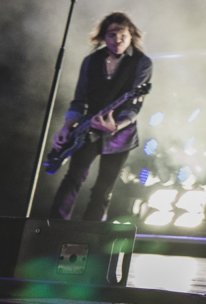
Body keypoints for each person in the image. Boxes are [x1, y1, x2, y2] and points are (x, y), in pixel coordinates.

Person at [49, 12, 154, 220]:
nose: (117, 40)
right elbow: (79, 100)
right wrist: (66, 127)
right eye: (112, 35)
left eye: (122, 35)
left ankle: (91, 236)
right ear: (103, 38)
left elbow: (134, 107)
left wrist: (117, 125)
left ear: (131, 35)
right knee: (73, 179)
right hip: (87, 128)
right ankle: (56, 229)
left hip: (120, 133)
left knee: (103, 189)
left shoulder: (142, 62)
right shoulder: (91, 61)